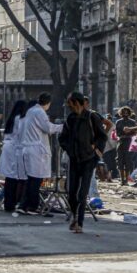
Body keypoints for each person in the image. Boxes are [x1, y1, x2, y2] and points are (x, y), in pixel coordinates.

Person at [59, 92, 107, 234]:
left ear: (77, 103)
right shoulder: (71, 118)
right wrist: (69, 150)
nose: (69, 105)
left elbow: (102, 136)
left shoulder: (92, 117)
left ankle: (79, 223)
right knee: (71, 192)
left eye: (70, 103)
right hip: (74, 159)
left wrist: (95, 150)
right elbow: (62, 138)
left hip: (89, 160)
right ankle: (74, 215)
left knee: (82, 192)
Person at [20, 93, 63, 215]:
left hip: (30, 148)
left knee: (31, 180)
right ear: (48, 103)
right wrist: (62, 127)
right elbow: (48, 128)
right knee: (36, 180)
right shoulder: (40, 112)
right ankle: (32, 206)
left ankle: (24, 205)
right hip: (37, 150)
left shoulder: (31, 111)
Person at [0, 100, 28, 212]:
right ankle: (11, 203)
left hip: (8, 148)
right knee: (14, 179)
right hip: (15, 149)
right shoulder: (20, 119)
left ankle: (8, 204)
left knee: (9, 179)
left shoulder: (11, 118)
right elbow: (22, 135)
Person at [114, 107, 137, 186]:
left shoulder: (132, 122)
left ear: (129, 113)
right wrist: (123, 135)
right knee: (120, 161)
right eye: (123, 112)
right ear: (121, 113)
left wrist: (128, 134)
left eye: (127, 112)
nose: (125, 114)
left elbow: (135, 133)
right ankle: (122, 179)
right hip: (121, 143)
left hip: (129, 143)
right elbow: (117, 134)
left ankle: (126, 179)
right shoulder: (118, 122)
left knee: (128, 161)